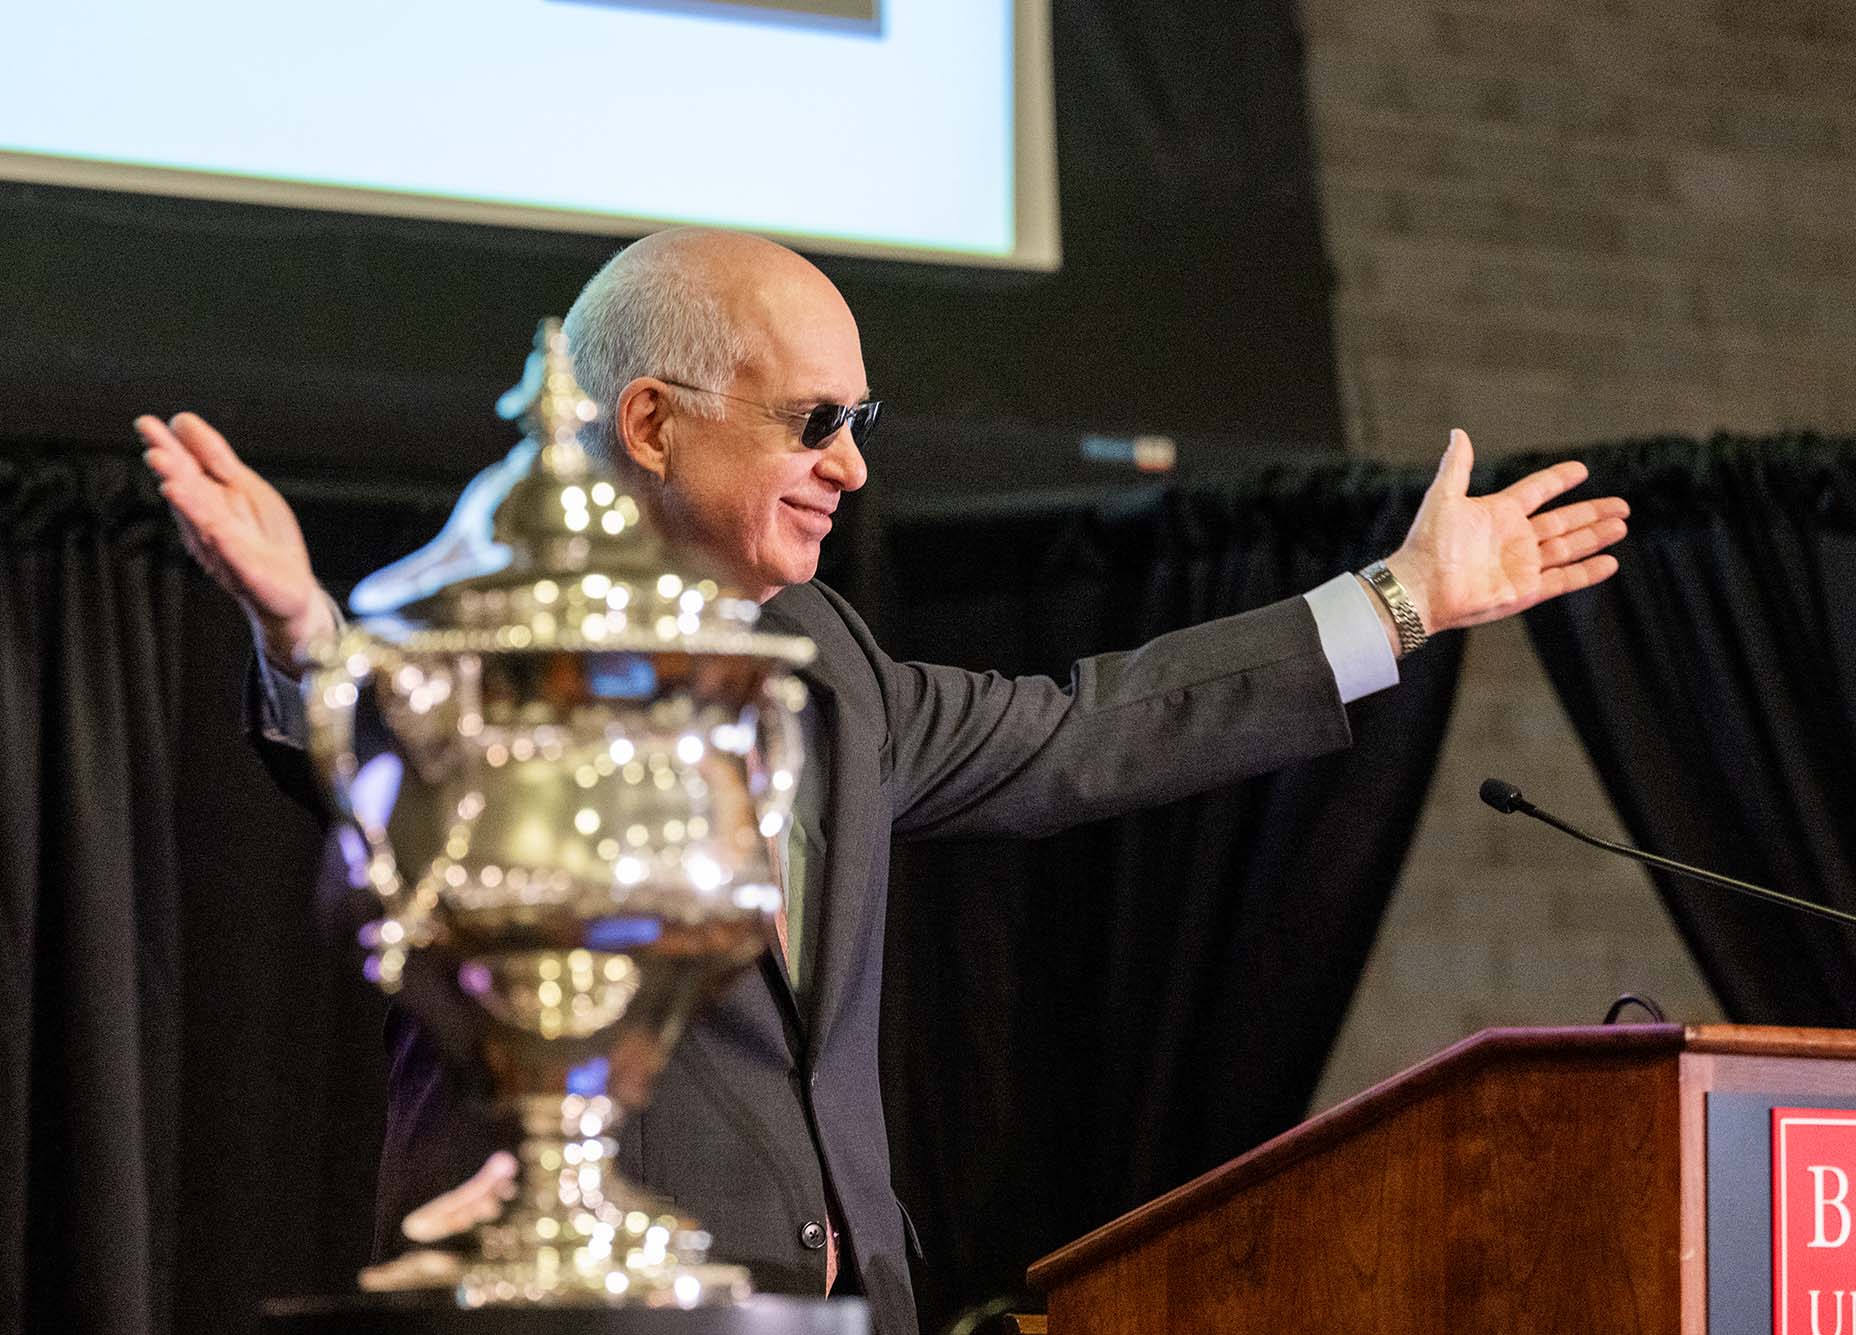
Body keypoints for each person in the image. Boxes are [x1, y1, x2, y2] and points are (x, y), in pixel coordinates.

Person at [137, 227, 1628, 1335]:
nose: (852, 468)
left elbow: (1075, 730)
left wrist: (1402, 600)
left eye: (862, 425)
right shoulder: (496, 635)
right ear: (651, 423)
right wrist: (301, 629)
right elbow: (383, 742)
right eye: (813, 423)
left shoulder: (830, 659)